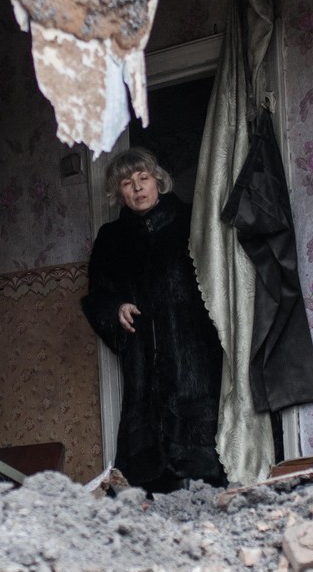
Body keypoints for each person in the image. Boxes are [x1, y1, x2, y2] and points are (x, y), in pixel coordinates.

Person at [83, 148, 226, 492]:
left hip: (193, 348)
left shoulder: (192, 221)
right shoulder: (111, 239)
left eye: (143, 178)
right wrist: (116, 307)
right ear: (118, 193)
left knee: (206, 449)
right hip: (143, 356)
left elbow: (221, 278)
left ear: (157, 181)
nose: (137, 188)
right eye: (127, 183)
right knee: (147, 464)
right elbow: (96, 295)